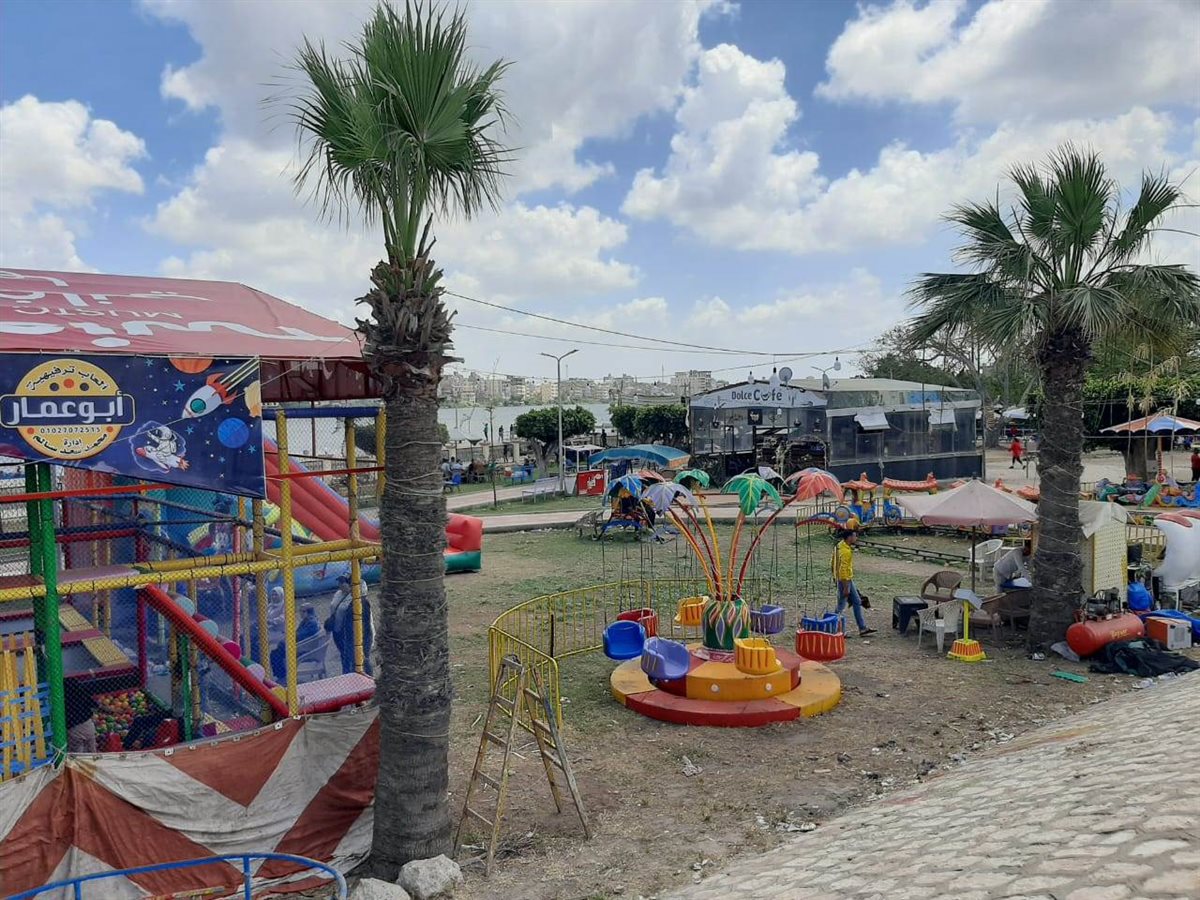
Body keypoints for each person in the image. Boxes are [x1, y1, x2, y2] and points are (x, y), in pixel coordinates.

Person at [325, 575, 374, 675]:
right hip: (350, 637)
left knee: (360, 661)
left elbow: (365, 626)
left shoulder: (361, 602)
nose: (351, 588)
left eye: (352, 586)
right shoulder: (352, 600)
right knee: (350, 661)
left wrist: (361, 642)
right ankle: (350, 677)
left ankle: (366, 679)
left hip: (357, 639)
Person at [832, 529, 874, 637]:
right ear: (849, 537)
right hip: (844, 580)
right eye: (855, 536)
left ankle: (862, 628)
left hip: (845, 579)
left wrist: (834, 577)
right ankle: (836, 629)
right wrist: (846, 587)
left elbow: (833, 563)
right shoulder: (845, 551)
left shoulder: (839, 546)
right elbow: (843, 570)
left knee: (857, 601)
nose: (856, 538)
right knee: (841, 605)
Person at [270, 603, 320, 681]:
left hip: (304, 649)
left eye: (301, 611)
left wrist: (286, 639)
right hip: (303, 645)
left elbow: (300, 636)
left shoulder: (311, 622)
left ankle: (282, 676)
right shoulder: (308, 620)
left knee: (275, 653)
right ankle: (281, 674)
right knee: (277, 651)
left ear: (306, 612)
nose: (300, 613)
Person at [64, 678, 97, 753]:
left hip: (73, 728)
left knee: (77, 751)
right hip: (88, 725)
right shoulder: (82, 695)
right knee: (91, 749)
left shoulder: (64, 700)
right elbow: (95, 705)